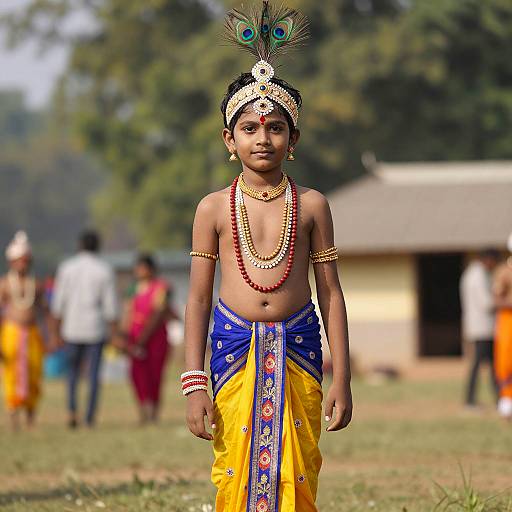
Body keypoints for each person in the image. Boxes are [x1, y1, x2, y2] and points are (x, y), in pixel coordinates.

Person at [183, 4, 352, 511]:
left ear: (293, 139)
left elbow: (331, 294)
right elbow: (195, 299)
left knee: (297, 472)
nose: (263, 138)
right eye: (250, 129)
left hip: (299, 346)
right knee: (234, 468)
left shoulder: (313, 205)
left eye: (275, 128)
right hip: (233, 349)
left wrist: (341, 375)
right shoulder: (212, 209)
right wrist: (194, 382)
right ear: (229, 140)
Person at [51, 230, 118, 428]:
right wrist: (114, 332)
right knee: (93, 375)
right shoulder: (104, 269)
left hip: (71, 328)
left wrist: (55, 333)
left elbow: (58, 304)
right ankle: (89, 417)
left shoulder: (66, 268)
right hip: (95, 329)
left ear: (80, 245)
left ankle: (72, 411)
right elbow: (111, 307)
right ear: (97, 246)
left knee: (72, 373)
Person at [119, 253, 178, 424]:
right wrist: (124, 337)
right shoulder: (132, 289)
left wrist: (142, 339)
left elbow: (158, 313)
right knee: (137, 375)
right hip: (135, 336)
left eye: (143, 267)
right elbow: (127, 313)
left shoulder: (162, 287)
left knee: (155, 375)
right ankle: (142, 410)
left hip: (155, 338)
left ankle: (153, 413)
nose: (139, 271)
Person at [0, 231, 48, 429]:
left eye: (26, 260)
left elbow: (46, 311)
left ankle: (31, 416)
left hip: (33, 334)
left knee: (34, 373)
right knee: (12, 374)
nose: (23, 264)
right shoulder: (4, 284)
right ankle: (13, 415)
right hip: (10, 333)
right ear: (12, 262)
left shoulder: (36, 284)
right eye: (19, 260)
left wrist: (53, 336)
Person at [460, 249, 500, 407]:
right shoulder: (477, 276)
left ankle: (498, 397)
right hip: (482, 328)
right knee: (480, 364)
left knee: (490, 365)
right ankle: (471, 400)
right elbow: (486, 303)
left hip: (483, 328)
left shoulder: (477, 274)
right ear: (488, 259)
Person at [493, 233, 512, 419]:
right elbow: (497, 300)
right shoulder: (504, 272)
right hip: (508, 320)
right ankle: (507, 401)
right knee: (506, 360)